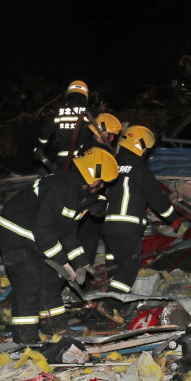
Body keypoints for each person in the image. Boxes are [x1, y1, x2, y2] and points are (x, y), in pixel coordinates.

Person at [0, 147, 119, 343]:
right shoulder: (63, 191)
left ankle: (56, 329)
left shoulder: (78, 194)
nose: (102, 187)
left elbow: (67, 232)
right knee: (29, 283)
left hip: (37, 236)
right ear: (94, 178)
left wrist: (80, 262)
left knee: (52, 281)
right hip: (15, 234)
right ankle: (25, 338)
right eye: (102, 183)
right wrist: (62, 262)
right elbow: (45, 232)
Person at [98, 125, 181, 323]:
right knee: (129, 265)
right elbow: (158, 200)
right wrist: (174, 219)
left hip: (108, 226)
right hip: (127, 227)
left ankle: (110, 310)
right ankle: (109, 305)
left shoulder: (111, 165)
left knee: (114, 265)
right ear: (140, 147)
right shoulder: (141, 170)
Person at [76, 112, 123, 266]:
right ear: (103, 133)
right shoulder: (97, 152)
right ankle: (83, 273)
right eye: (111, 135)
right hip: (90, 202)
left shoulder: (89, 145)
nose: (112, 139)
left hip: (89, 200)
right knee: (89, 239)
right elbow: (99, 181)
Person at [37, 80, 95, 169]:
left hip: (63, 160)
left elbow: (45, 132)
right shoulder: (90, 112)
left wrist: (41, 146)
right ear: (86, 94)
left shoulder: (60, 111)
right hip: (85, 159)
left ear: (69, 92)